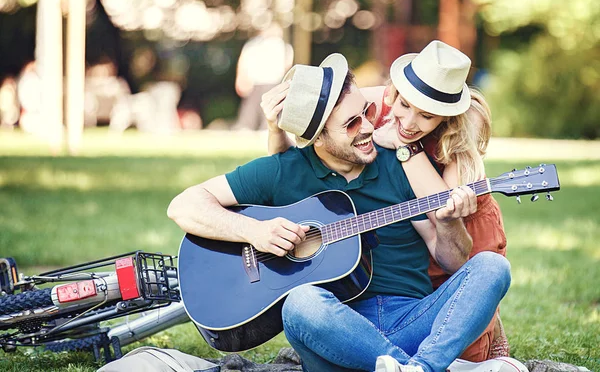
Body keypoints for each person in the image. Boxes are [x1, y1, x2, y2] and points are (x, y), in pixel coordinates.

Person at [168, 51, 515, 372]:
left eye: (368, 112)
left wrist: (450, 222)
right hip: (335, 333)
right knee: (300, 303)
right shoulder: (282, 171)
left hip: (412, 321)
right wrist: (253, 231)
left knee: (492, 267)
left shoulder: (403, 161)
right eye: (351, 123)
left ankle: (420, 367)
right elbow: (184, 205)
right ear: (317, 137)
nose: (369, 128)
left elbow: (454, 261)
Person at [260, 40, 510, 362]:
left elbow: (444, 213)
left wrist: (405, 150)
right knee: (303, 303)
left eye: (427, 116)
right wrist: (275, 126)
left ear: (445, 116)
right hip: (389, 253)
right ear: (393, 91)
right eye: (404, 105)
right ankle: (415, 367)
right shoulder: (369, 103)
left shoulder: (462, 127)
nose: (408, 123)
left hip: (458, 223)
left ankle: (448, 352)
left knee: (485, 276)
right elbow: (293, 171)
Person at [232, 23, 293, 130]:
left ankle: (267, 128)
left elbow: (287, 64)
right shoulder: (254, 44)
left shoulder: (283, 46)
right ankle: (246, 127)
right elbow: (243, 62)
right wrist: (241, 78)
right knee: (252, 108)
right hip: (256, 81)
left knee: (272, 107)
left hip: (274, 81)